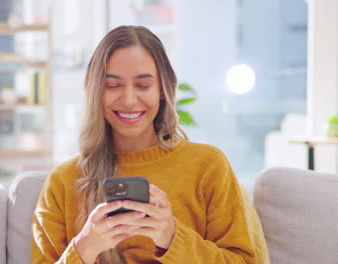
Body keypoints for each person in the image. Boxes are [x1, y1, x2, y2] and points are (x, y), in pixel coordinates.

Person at [31, 25, 269, 264]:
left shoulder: (207, 165)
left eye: (143, 85)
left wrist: (172, 237)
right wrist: (85, 247)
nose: (128, 100)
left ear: (163, 90)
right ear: (95, 92)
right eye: (113, 86)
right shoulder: (63, 182)